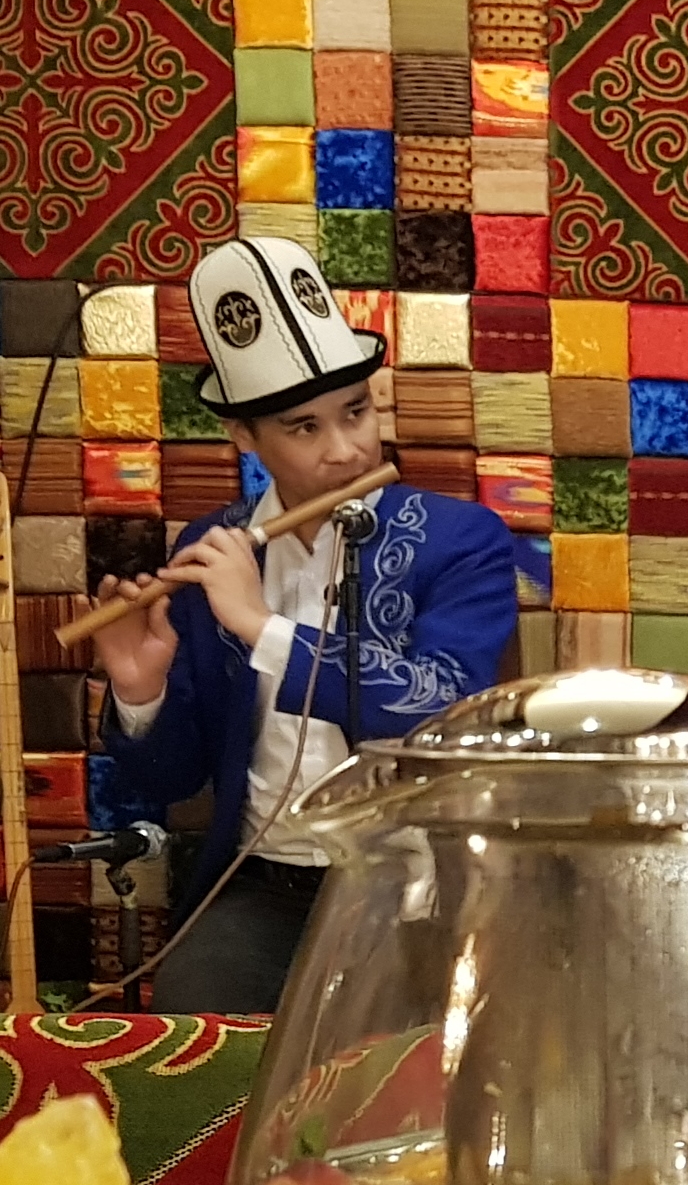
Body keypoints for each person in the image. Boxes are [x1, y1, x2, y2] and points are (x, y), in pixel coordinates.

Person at [96, 238, 518, 1014]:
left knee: (408, 1050)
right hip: (265, 889)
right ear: (244, 436)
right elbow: (171, 780)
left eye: (356, 412)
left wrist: (262, 628)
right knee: (191, 1005)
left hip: (413, 890)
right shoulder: (214, 548)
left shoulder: (461, 541)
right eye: (304, 428)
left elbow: (443, 706)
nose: (346, 451)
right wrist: (141, 691)